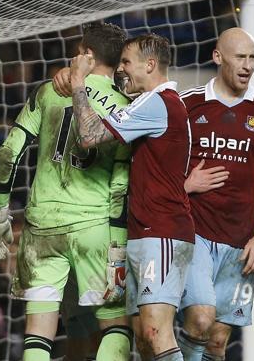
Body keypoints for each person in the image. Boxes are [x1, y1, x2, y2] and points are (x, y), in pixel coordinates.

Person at [0, 23, 133, 361]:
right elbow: (121, 184)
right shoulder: (126, 108)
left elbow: (9, 152)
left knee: (39, 333)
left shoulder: (48, 92)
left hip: (42, 228)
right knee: (116, 325)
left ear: (87, 55)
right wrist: (117, 244)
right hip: (94, 227)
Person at [69, 33, 195, 361]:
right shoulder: (153, 103)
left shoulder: (158, 102)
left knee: (156, 332)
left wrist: (78, 81)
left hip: (163, 231)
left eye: (126, 62)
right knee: (142, 337)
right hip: (144, 231)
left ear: (149, 64)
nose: (121, 69)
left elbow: (88, 135)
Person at [177, 27, 254, 361]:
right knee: (199, 320)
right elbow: (159, 167)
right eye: (239, 57)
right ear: (217, 56)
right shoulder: (188, 105)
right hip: (193, 233)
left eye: (252, 57)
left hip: (241, 242)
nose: (247, 65)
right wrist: (184, 185)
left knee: (217, 340)